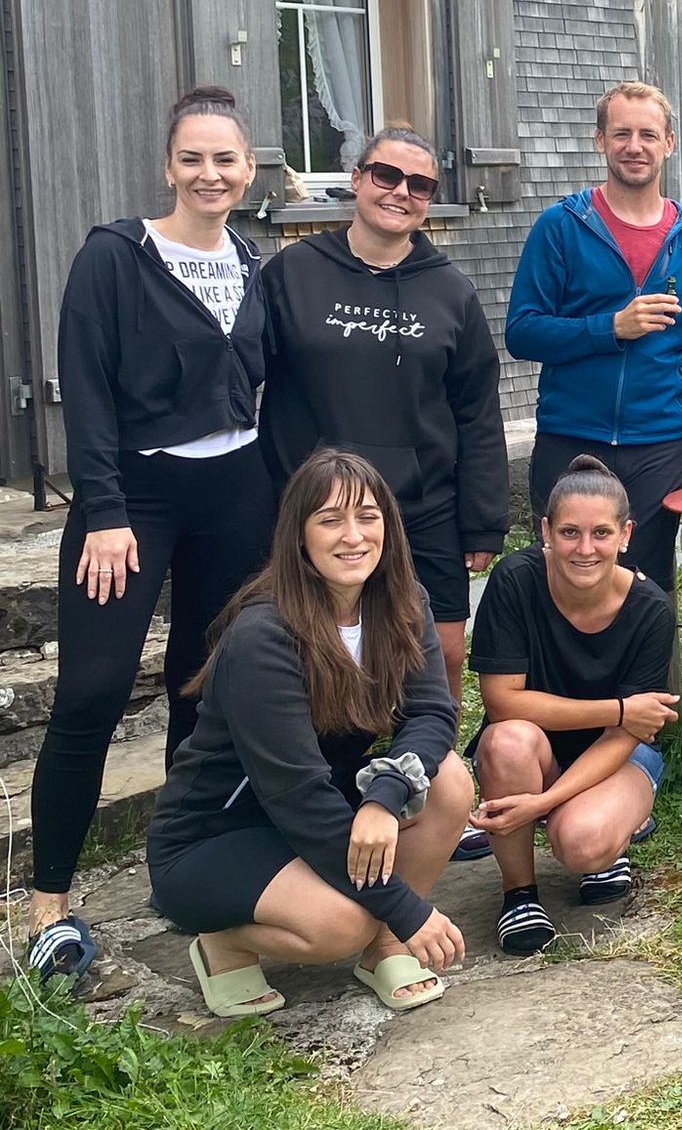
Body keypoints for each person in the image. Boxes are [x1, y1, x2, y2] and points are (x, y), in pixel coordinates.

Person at [25, 86, 278, 988]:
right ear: (168, 166)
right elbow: (86, 387)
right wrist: (102, 510)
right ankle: (48, 901)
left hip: (236, 493)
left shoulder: (251, 261)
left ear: (248, 169)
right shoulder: (116, 256)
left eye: (225, 159)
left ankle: (181, 864)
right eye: (192, 158)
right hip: (134, 495)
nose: (210, 174)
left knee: (202, 686)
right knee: (91, 692)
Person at [146, 451, 473, 1017]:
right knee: (341, 925)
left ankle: (386, 949)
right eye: (330, 520)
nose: (354, 536)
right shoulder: (263, 635)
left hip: (323, 807)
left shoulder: (402, 600)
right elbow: (297, 796)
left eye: (367, 517)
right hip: (216, 835)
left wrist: (385, 795)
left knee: (449, 781)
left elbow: (432, 712)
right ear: (298, 535)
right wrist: (408, 909)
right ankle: (222, 939)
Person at [259, 124, 506, 704]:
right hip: (315, 506)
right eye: (386, 175)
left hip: (422, 505)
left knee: (440, 649)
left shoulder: (451, 291)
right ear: (356, 180)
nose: (401, 192)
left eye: (419, 185)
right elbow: (241, 375)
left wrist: (482, 520)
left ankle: (432, 750)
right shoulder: (293, 272)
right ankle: (329, 752)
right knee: (314, 646)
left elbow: (477, 410)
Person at [506, 81, 682, 621]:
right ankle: (556, 680)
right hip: (571, 437)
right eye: (621, 134)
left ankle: (651, 679)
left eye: (647, 135)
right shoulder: (562, 227)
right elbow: (522, 331)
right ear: (600, 141)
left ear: (669, 144)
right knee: (562, 584)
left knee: (647, 592)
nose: (634, 146)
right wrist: (610, 327)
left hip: (657, 445)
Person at [465, 456, 678, 954]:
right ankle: (519, 894)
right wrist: (620, 709)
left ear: (625, 535)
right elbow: (502, 702)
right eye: (569, 532)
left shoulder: (652, 610)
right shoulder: (515, 580)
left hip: (617, 754)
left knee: (582, 843)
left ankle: (614, 827)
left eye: (601, 533)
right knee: (507, 741)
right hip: (534, 746)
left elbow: (627, 736)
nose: (585, 549)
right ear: (545, 531)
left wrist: (541, 805)